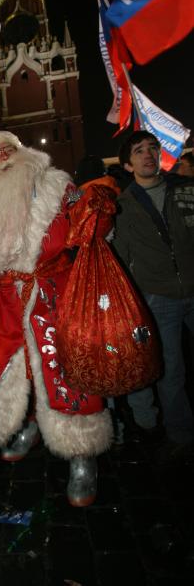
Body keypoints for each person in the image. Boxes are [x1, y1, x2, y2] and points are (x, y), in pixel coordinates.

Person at [0, 124, 114, 507]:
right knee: (9, 365)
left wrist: (99, 205)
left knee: (65, 367)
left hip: (54, 292)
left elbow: (89, 225)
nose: (2, 156)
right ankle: (24, 425)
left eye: (7, 149)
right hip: (5, 299)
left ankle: (82, 455)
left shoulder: (56, 187)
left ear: (22, 152)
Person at [112, 131, 194, 462]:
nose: (148, 154)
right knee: (171, 372)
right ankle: (181, 435)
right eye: (139, 151)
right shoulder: (123, 206)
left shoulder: (185, 190)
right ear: (128, 165)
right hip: (159, 299)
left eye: (152, 149)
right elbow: (120, 257)